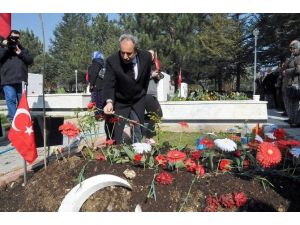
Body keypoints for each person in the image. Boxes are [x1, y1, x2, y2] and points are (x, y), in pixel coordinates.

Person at [102, 34, 152, 144]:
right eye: (122, 52)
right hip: (120, 101)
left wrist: (142, 93)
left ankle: (137, 153)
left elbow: (146, 77)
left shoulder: (147, 57)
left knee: (138, 128)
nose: (125, 56)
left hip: (138, 99)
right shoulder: (112, 61)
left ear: (136, 50)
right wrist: (109, 102)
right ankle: (114, 151)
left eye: (129, 53)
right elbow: (109, 83)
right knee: (116, 135)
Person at [0, 30, 33, 122]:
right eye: (12, 37)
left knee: (22, 103)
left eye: (16, 37)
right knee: (11, 100)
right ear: (9, 37)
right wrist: (6, 47)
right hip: (8, 81)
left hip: (21, 80)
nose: (14, 39)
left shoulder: (23, 49)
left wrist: (20, 53)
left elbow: (30, 60)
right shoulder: (3, 49)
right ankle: (14, 123)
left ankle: (23, 123)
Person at [144, 49, 163, 143]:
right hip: (147, 94)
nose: (151, 56)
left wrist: (158, 76)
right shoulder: (143, 65)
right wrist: (152, 75)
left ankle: (140, 123)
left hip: (153, 94)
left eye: (152, 55)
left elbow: (160, 76)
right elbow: (141, 78)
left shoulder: (153, 66)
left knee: (157, 114)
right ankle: (148, 136)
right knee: (157, 114)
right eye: (149, 54)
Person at [283, 40, 300, 128]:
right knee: (291, 104)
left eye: (293, 48)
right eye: (291, 49)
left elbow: (298, 70)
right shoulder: (294, 57)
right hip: (291, 84)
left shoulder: (298, 57)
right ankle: (293, 120)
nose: (292, 50)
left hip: (295, 84)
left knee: (295, 105)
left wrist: (287, 71)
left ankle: (295, 122)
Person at [88, 51, 105, 116]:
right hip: (102, 85)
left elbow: (94, 74)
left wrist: (91, 84)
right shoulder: (102, 63)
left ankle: (98, 115)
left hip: (96, 85)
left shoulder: (96, 63)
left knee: (96, 100)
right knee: (101, 100)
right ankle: (101, 114)